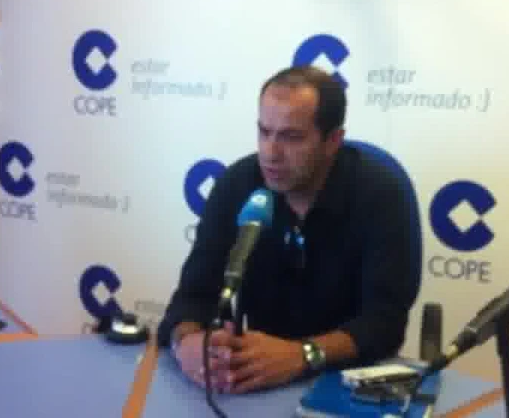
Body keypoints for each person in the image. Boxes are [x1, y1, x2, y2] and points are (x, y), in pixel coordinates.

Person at [157, 65, 420, 394]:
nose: (270, 153)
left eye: (291, 137)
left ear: (332, 141)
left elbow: (384, 323)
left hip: (347, 382)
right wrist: (187, 343)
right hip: (257, 377)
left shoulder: (380, 193)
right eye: (264, 132)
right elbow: (192, 297)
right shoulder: (237, 185)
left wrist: (303, 354)